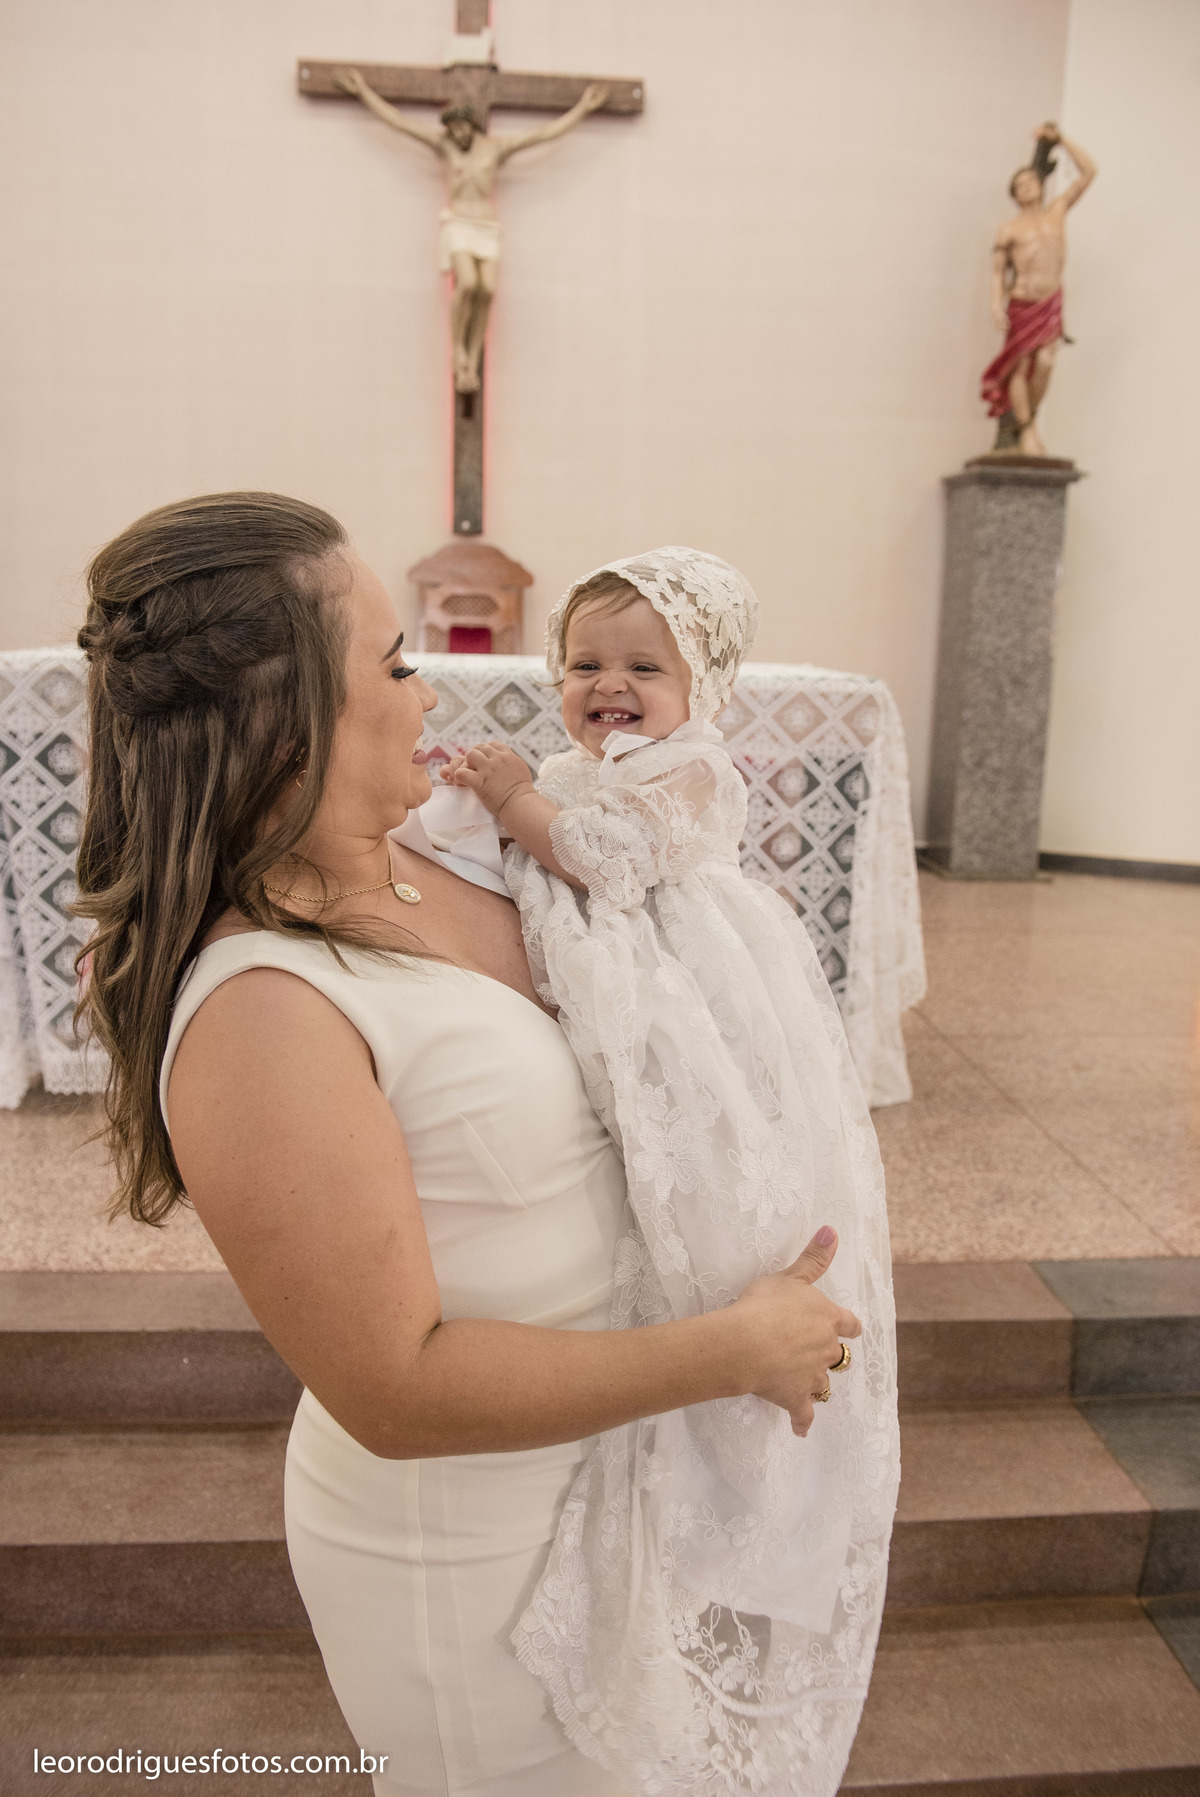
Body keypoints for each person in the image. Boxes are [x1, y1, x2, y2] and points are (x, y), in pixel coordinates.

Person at [73, 495, 862, 1797]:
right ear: (286, 720)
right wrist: (725, 1349)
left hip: (609, 1486)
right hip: (467, 1556)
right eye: (386, 662)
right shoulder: (264, 1006)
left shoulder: (438, 855)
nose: (423, 682)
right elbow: (394, 1384)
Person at [441, 548, 900, 1797]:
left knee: (703, 1161)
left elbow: (608, 864)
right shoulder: (593, 763)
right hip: (631, 954)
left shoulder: (692, 768)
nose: (610, 686)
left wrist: (514, 797)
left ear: (704, 686)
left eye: (646, 666)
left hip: (705, 996)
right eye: (586, 663)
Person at [333, 68, 610, 393]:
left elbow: (544, 133)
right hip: (458, 224)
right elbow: (399, 122)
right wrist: (364, 91)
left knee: (487, 290)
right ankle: (458, 351)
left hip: (487, 226)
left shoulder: (495, 148)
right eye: (451, 130)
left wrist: (582, 109)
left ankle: (473, 356)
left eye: (461, 128)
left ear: (471, 125)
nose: (457, 135)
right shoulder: (444, 147)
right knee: (467, 283)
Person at [982, 123, 1097, 455]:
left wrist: (1061, 141)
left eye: (1030, 180)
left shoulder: (1056, 212)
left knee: (1045, 363)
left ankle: (1026, 419)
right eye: (1019, 184)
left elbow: (1089, 172)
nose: (1027, 186)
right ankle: (1027, 429)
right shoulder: (1009, 228)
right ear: (1014, 194)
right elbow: (997, 273)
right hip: (1022, 300)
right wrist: (994, 305)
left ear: (1040, 184)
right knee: (1020, 365)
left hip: (1049, 301)